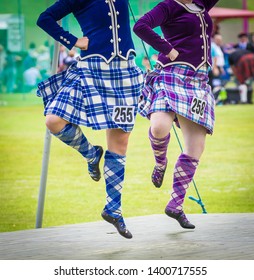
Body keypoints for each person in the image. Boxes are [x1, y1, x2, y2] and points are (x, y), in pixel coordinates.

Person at [36, 0, 143, 239]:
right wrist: (73, 41)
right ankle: (91, 154)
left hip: (125, 72)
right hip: (90, 68)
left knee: (120, 144)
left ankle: (114, 209)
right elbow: (44, 19)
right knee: (54, 121)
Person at [133, 0, 219, 229]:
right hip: (171, 74)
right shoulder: (169, 6)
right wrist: (167, 49)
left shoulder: (202, 4)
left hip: (198, 82)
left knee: (195, 148)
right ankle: (160, 163)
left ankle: (175, 205)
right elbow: (140, 26)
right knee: (159, 126)